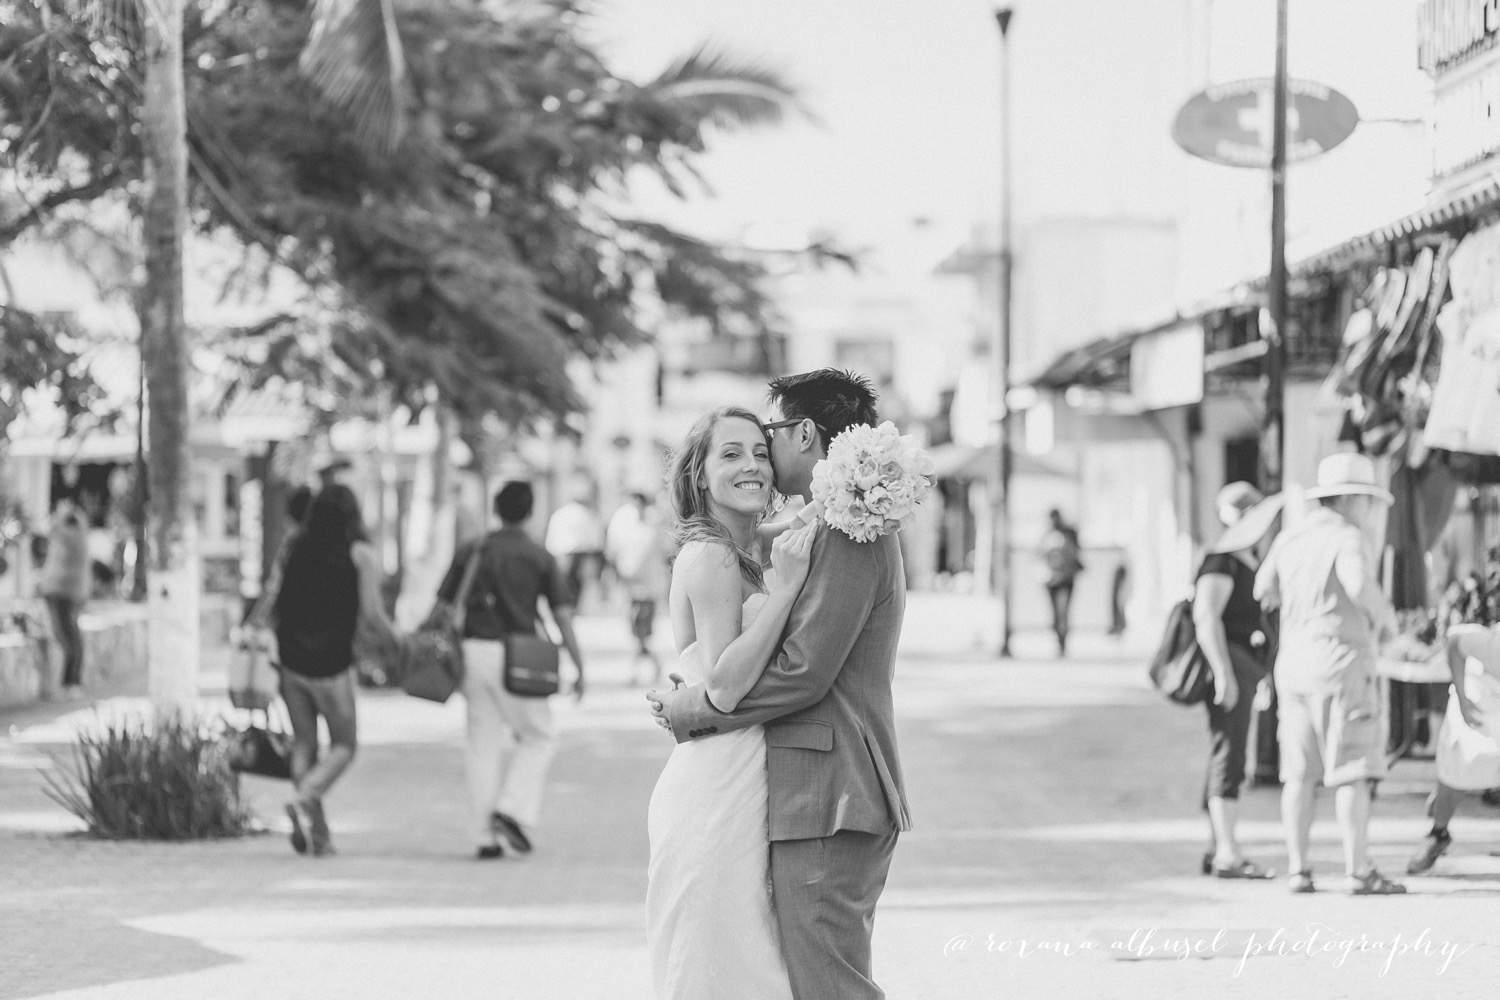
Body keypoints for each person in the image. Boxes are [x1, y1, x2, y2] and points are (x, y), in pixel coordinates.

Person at [649, 369, 913, 1000]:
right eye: (734, 453)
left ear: (803, 434)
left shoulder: (850, 527)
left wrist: (692, 708)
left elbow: (803, 673)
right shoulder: (815, 526)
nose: (759, 459)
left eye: (765, 439)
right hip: (786, 790)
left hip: (829, 792)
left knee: (826, 984)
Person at [644, 406, 816, 999]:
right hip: (715, 784)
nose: (753, 466)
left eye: (761, 453)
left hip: (742, 772)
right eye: (732, 454)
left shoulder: (744, 547)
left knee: (745, 957)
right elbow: (722, 686)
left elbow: (811, 519)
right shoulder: (711, 556)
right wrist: (786, 591)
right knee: (723, 964)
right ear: (699, 474)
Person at [1254, 453, 1404, 895]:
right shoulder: (1348, 538)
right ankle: (1358, 869)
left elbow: (1263, 589)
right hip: (1342, 665)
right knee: (1351, 769)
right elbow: (1358, 585)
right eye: (1366, 501)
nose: (1368, 509)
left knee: (1298, 775)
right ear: (1351, 500)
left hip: (1294, 666)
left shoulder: (1291, 537)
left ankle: (1298, 869)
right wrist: (1387, 621)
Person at [436, 481, 586, 860]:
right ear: (530, 511)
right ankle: (512, 810)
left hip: (473, 653)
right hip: (520, 657)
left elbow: (442, 604)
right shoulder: (538, 556)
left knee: (481, 744)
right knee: (538, 735)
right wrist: (578, 664)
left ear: (496, 509)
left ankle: (484, 837)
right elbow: (562, 616)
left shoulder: (472, 550)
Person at [273, 484, 399, 856]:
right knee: (344, 745)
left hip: (290, 662)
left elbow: (275, 599)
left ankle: (319, 834)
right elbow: (373, 616)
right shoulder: (360, 555)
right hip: (331, 665)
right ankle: (306, 796)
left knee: (305, 744)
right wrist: (400, 642)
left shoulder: (294, 547)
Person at [1192, 483, 1280, 879]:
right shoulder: (1222, 560)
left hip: (1245, 669)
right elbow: (1206, 617)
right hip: (1231, 668)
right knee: (1229, 755)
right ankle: (1228, 852)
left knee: (1227, 752)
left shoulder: (1244, 558)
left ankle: (1218, 847)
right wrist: (1223, 674)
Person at [1406, 585, 1500, 875]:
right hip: (1477, 701)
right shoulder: (1491, 645)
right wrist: (1462, 696)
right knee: (1456, 774)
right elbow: (1456, 642)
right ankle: (1438, 833)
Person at [605, 491, 669, 685]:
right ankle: (653, 665)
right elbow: (613, 552)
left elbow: (666, 553)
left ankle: (638, 670)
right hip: (630, 587)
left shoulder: (655, 526)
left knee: (641, 631)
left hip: (648, 588)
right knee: (636, 631)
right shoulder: (623, 524)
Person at [39, 499, 91, 700]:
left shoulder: (70, 536)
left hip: (61, 593)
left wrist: (61, 513)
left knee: (67, 638)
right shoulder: (80, 535)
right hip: (69, 593)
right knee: (72, 637)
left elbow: (51, 528)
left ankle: (69, 684)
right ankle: (72, 683)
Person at [545, 486, 604, 610]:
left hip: (560, 554)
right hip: (577, 553)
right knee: (575, 587)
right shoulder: (584, 513)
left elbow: (551, 539)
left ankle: (566, 609)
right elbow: (594, 539)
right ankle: (572, 609)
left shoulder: (560, 513)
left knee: (562, 587)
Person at [1039, 508, 1084, 656]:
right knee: (1056, 613)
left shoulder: (1068, 534)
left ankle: (1063, 641)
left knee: (1063, 612)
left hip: (1066, 579)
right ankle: (1059, 639)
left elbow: (1075, 552)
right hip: (1052, 580)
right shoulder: (1047, 535)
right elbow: (1040, 555)